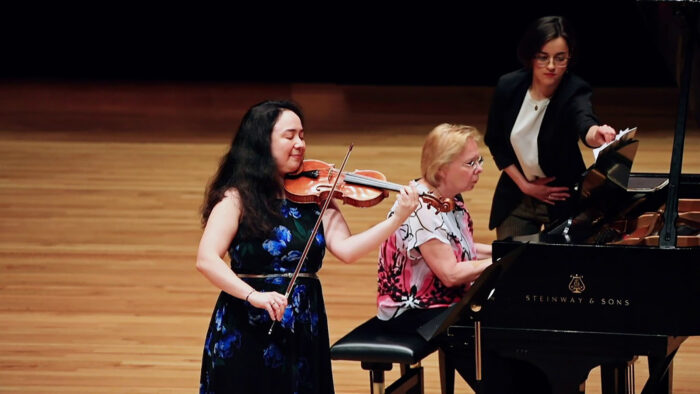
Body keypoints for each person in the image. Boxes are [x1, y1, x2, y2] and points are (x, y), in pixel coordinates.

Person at [196, 99, 419, 393]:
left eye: (302, 135)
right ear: (262, 142)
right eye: (289, 136)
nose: (300, 144)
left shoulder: (316, 197)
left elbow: (348, 250)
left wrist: (396, 219)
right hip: (247, 322)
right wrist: (254, 296)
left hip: (304, 321)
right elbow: (206, 259)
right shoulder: (236, 198)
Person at [376, 123, 492, 390]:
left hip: (439, 305)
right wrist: (499, 262)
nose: (480, 169)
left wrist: (502, 250)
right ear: (442, 169)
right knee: (487, 327)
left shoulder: (447, 199)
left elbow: (463, 247)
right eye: (470, 163)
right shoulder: (420, 209)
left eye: (479, 160)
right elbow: (450, 274)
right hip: (412, 313)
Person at [484, 15, 618, 240]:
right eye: (543, 57)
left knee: (558, 268)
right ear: (530, 55)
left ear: (570, 57)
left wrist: (598, 133)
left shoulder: (574, 90)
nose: (552, 66)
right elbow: (495, 140)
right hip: (517, 196)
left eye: (560, 58)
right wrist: (526, 186)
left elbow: (584, 121)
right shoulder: (509, 86)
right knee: (513, 264)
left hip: (561, 196)